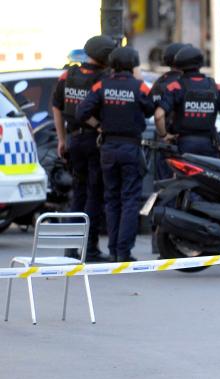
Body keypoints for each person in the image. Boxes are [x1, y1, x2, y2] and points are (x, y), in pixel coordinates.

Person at [76, 47, 155, 262]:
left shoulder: (102, 85)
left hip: (108, 149)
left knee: (111, 200)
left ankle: (112, 250)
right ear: (133, 64)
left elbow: (81, 112)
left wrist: (99, 125)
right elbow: (150, 109)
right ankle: (123, 252)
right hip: (130, 148)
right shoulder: (139, 87)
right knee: (130, 199)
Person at [52, 35, 116, 262]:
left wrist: (62, 139)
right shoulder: (104, 78)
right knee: (94, 195)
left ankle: (71, 249)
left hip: (74, 141)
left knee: (77, 195)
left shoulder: (68, 75)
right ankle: (89, 249)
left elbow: (57, 107)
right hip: (95, 142)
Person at [155, 46, 220, 158]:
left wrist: (164, 135)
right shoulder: (217, 87)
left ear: (180, 65)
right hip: (209, 147)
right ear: (201, 64)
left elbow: (159, 115)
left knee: (180, 176)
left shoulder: (175, 86)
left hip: (183, 146)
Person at [149, 42, 188, 179]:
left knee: (164, 187)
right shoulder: (186, 82)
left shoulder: (159, 83)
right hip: (185, 141)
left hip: (164, 143)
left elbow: (151, 111)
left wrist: (164, 135)